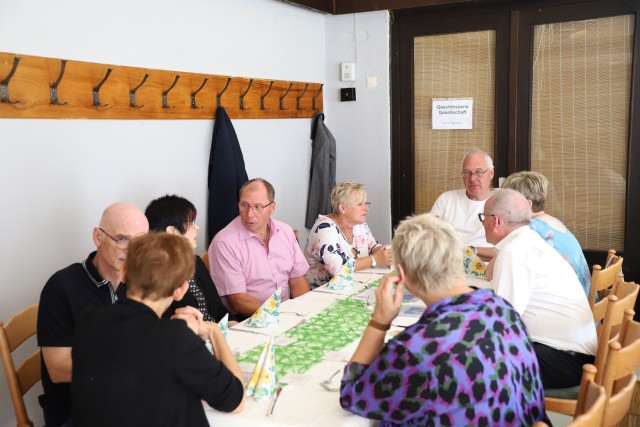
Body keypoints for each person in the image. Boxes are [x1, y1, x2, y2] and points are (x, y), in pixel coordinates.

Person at [339, 213, 548, 425]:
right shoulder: (504, 310)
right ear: (458, 260)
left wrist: (379, 322)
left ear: (401, 276)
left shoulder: (416, 348)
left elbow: (352, 395)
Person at [71, 233, 244, 426]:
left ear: (123, 271)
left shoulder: (88, 320)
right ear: (180, 290)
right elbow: (235, 400)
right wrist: (214, 332)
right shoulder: (176, 338)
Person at [37, 202, 149, 427]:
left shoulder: (142, 282)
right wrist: (129, 369)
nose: (132, 251)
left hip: (132, 400)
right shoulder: (61, 287)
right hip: (77, 412)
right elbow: (58, 369)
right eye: (122, 239)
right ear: (98, 237)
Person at [481, 189, 597, 388]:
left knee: (471, 363)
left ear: (496, 221)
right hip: (572, 354)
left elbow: (502, 322)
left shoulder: (514, 251)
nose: (482, 223)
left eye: (483, 217)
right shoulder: (529, 241)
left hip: (565, 361)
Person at [209, 178, 310, 319]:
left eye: (258, 207)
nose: (249, 214)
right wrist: (280, 315)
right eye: (244, 205)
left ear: (272, 208)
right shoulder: (225, 242)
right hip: (248, 317)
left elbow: (297, 279)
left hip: (286, 312)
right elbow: (238, 301)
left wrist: (305, 312)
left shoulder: (285, 231)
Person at [500, 171, 591, 295]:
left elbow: (499, 263)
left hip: (567, 302)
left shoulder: (530, 228)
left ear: (526, 204)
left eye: (507, 202)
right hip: (584, 299)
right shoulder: (553, 221)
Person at [145, 194, 229, 322]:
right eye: (191, 223)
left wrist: (231, 322)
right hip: (190, 339)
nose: (197, 228)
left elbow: (219, 308)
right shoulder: (155, 274)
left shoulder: (195, 261)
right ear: (172, 231)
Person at [305, 181, 392, 288]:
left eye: (366, 203)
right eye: (360, 204)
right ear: (343, 208)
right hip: (323, 292)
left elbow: (373, 246)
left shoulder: (359, 224)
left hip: (354, 285)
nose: (366, 208)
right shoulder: (324, 228)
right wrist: (375, 259)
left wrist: (386, 253)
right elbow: (337, 269)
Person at [430, 148, 495, 260]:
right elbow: (427, 238)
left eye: (479, 172)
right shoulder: (446, 200)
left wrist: (470, 251)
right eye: (467, 173)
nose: (472, 178)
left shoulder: (503, 202)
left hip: (488, 267)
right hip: (448, 265)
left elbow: (510, 250)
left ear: (491, 173)